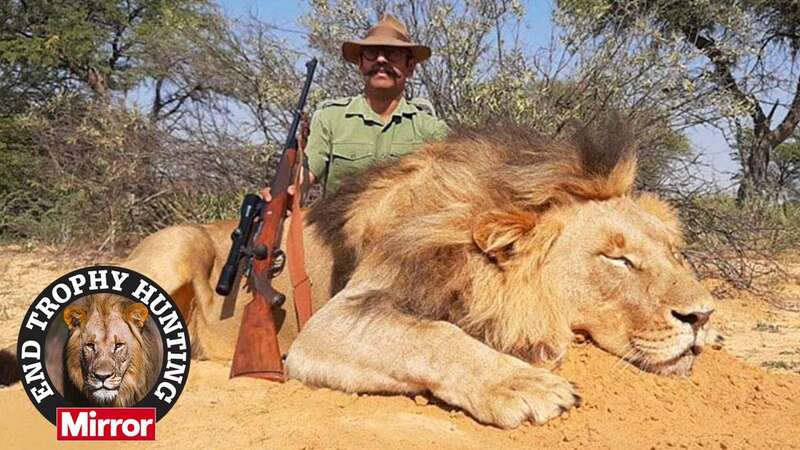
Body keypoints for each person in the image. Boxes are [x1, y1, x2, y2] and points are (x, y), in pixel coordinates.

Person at [263, 13, 449, 200]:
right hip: (337, 228)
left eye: (393, 53)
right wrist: (287, 193)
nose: (381, 60)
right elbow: (308, 173)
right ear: (361, 64)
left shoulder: (431, 129)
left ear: (410, 67)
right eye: (372, 53)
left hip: (405, 228)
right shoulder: (331, 118)